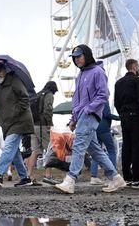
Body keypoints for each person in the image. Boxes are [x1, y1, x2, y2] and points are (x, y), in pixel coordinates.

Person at [54, 44, 126, 194]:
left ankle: (71, 180)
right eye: (74, 58)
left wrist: (88, 109)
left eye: (79, 56)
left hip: (90, 115)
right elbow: (76, 100)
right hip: (82, 117)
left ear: (87, 55)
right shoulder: (80, 76)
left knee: (79, 146)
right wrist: (74, 118)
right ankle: (115, 177)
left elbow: (103, 95)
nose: (77, 60)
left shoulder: (98, 72)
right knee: (95, 150)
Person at [0, 62, 38, 187]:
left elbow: (25, 99)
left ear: (5, 70)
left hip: (19, 120)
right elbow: (1, 106)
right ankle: (25, 178)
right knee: (15, 152)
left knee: (8, 146)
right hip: (7, 123)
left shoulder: (15, 81)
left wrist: (14, 112)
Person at [114, 59, 139, 188]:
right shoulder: (137, 80)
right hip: (136, 118)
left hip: (124, 118)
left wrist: (122, 115)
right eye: (138, 66)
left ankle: (127, 178)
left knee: (126, 148)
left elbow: (116, 102)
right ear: (134, 67)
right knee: (137, 149)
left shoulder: (118, 83)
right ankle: (137, 179)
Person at [26, 81, 58, 184]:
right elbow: (47, 110)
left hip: (33, 126)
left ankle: (29, 176)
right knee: (50, 149)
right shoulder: (49, 95)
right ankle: (48, 175)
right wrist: (50, 124)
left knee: (35, 151)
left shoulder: (38, 94)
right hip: (43, 126)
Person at [89, 102, 119, 185]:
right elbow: (107, 114)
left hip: (96, 128)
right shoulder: (104, 100)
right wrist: (119, 118)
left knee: (96, 152)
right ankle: (112, 176)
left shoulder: (95, 100)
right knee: (112, 151)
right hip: (104, 128)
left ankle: (94, 177)